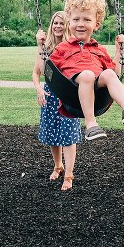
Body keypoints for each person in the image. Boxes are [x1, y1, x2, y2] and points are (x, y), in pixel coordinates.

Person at [49, 0, 124, 149]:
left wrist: (118, 51)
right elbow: (49, 71)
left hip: (97, 93)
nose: (81, 24)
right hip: (72, 92)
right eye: (76, 19)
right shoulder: (62, 48)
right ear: (69, 22)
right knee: (87, 75)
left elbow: (115, 73)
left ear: (97, 24)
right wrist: (41, 47)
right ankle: (91, 124)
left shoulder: (99, 49)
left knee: (107, 73)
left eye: (87, 19)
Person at [33, 11, 82, 191]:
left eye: (62, 23)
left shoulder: (73, 45)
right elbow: (37, 72)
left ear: (67, 25)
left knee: (68, 135)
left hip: (68, 95)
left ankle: (69, 175)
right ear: (51, 25)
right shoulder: (45, 47)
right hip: (50, 94)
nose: (58, 26)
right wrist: (39, 88)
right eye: (55, 23)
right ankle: (58, 166)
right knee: (53, 134)